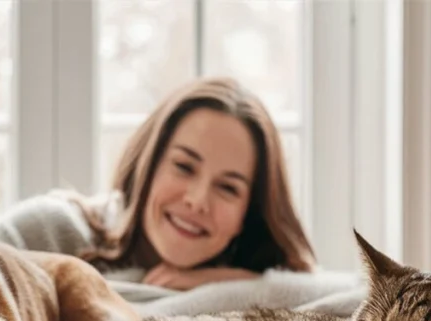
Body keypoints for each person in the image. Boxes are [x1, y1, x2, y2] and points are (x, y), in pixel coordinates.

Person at [73, 76, 317, 290]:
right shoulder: (56, 229)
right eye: (184, 167)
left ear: (249, 213)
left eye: (228, 188)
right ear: (148, 165)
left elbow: (329, 292)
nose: (197, 200)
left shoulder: (248, 290)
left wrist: (228, 282)